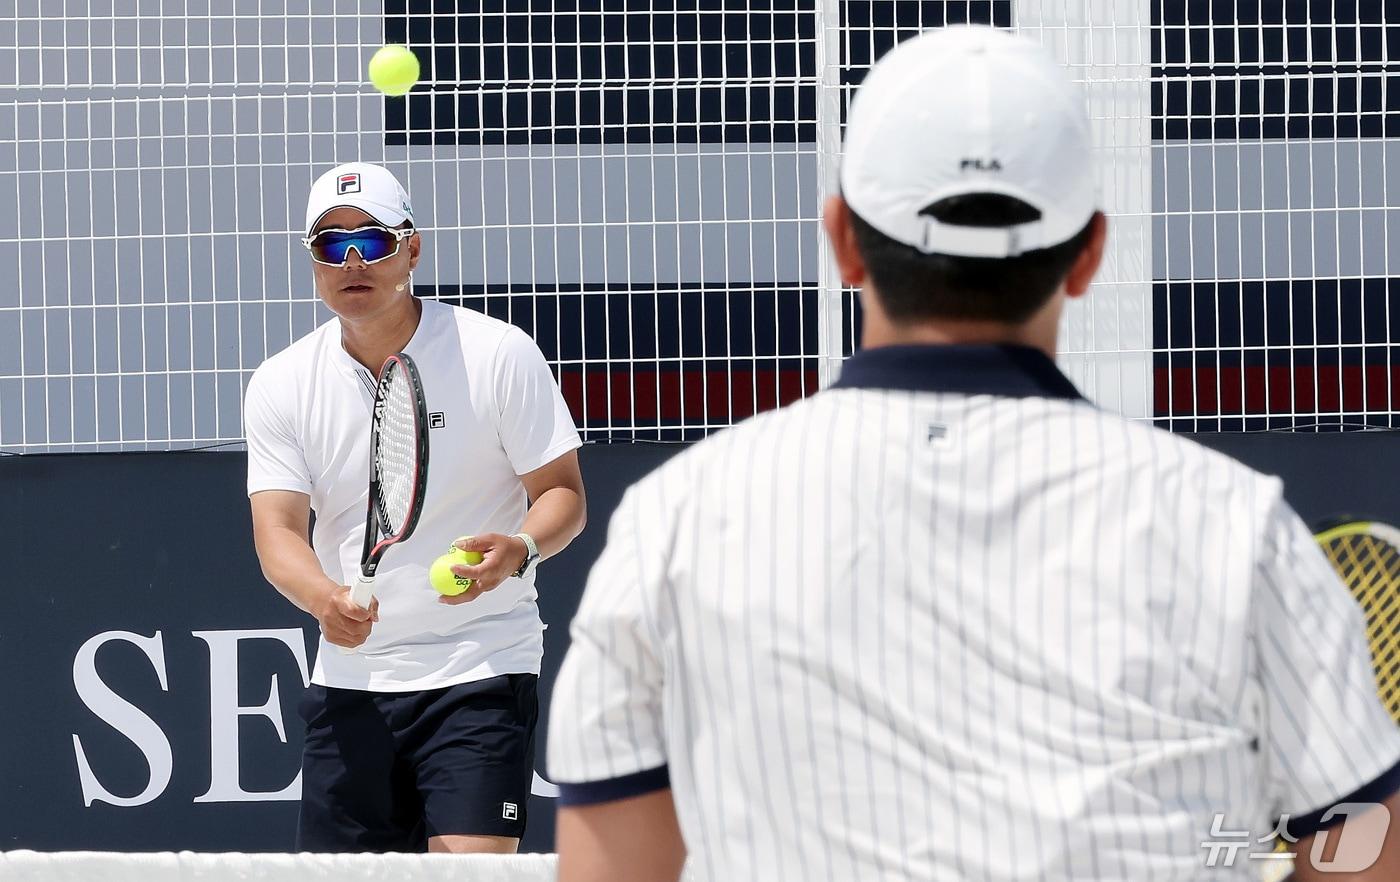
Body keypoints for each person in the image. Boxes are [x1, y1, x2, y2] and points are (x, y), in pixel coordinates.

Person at [545, 26, 1400, 882]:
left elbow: (614, 866)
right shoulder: (1234, 522)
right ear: (1090, 253)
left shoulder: (676, 518)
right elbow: (1364, 851)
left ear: (842, 240)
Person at [244, 161, 586, 854]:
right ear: (312, 262)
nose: (350, 261)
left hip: (480, 665)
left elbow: (563, 494)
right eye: (328, 245)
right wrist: (323, 600)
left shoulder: (498, 354)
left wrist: (519, 550)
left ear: (412, 249)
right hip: (352, 682)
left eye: (370, 240)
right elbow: (278, 531)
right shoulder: (281, 383)